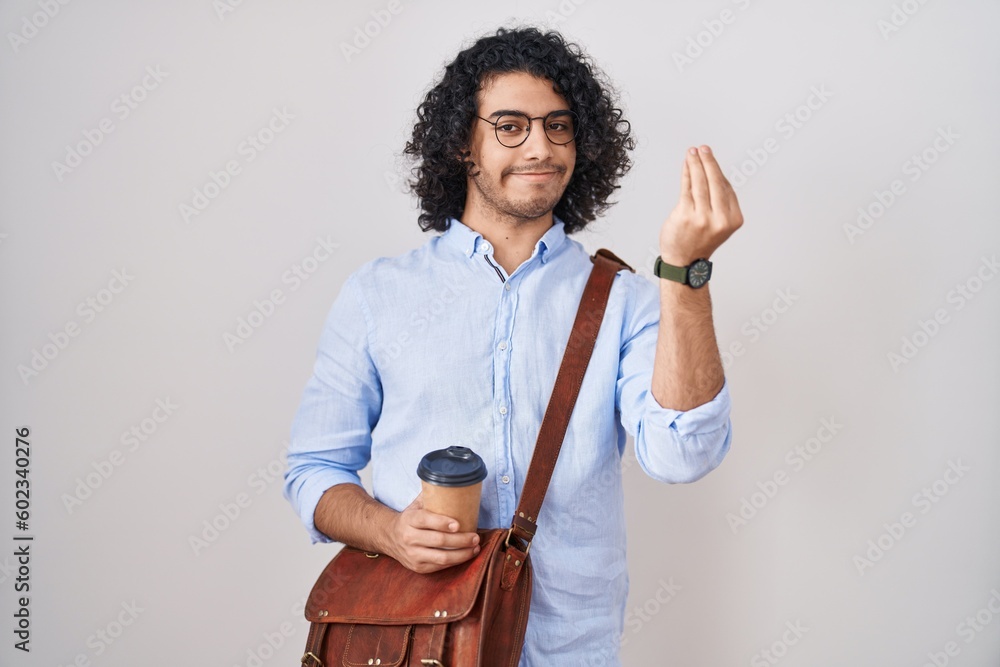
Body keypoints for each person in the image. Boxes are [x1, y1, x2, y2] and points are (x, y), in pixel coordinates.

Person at [284, 25, 743, 665]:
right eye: (509, 125)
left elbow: (682, 454)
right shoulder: (376, 296)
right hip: (412, 642)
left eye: (559, 126)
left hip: (569, 649)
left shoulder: (627, 300)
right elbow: (314, 471)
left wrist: (686, 273)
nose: (540, 146)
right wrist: (390, 532)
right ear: (461, 142)